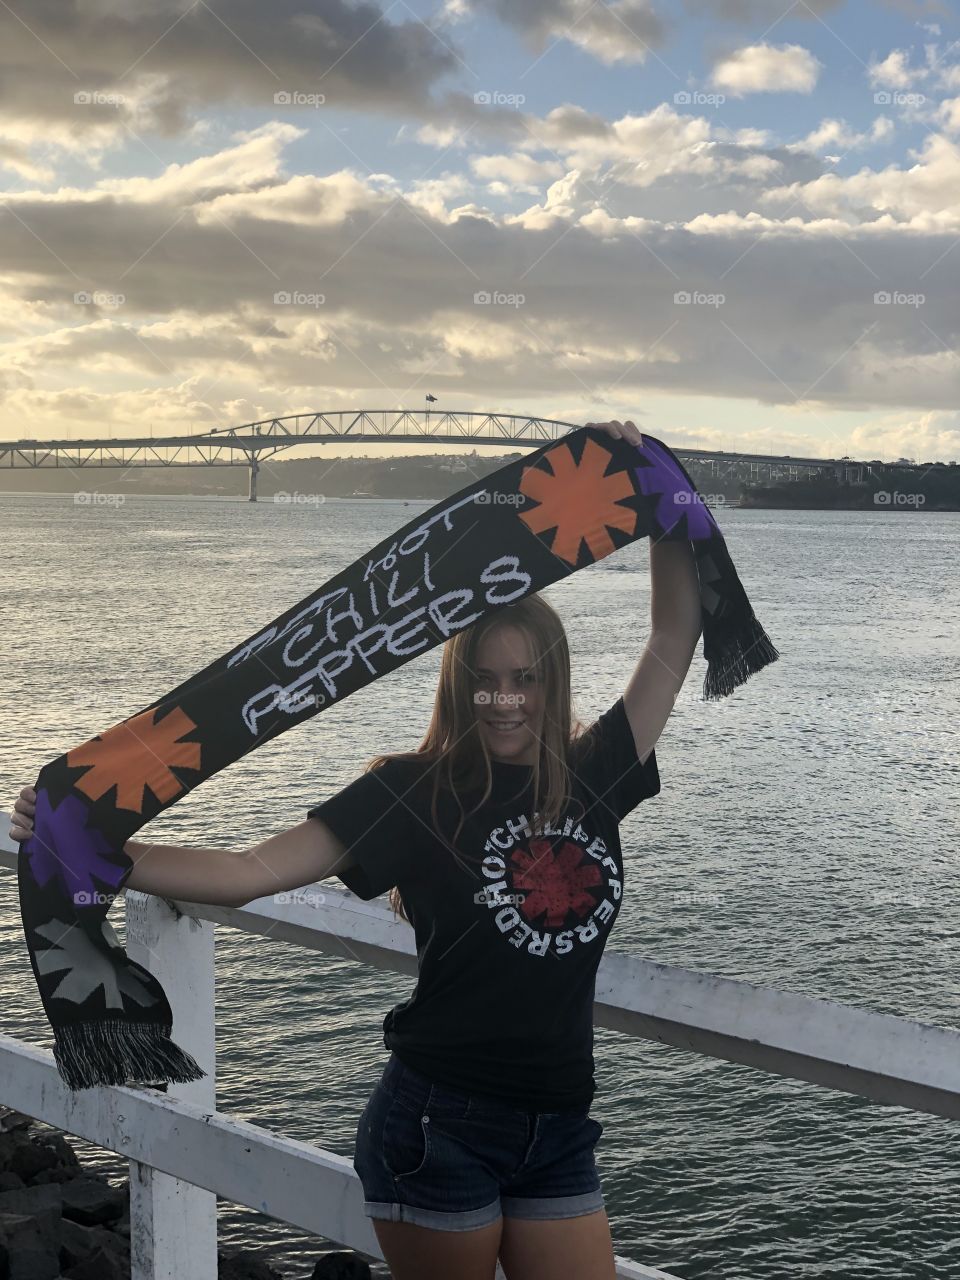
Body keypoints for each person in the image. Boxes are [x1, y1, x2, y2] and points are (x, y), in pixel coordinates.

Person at [9, 420, 703, 1280]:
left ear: (552, 681)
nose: (504, 700)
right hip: (438, 1123)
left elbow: (674, 637)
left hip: (560, 1128)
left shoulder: (596, 771)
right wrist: (101, 849)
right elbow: (250, 873)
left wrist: (661, 490)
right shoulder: (412, 791)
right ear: (457, 680)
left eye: (525, 679)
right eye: (484, 678)